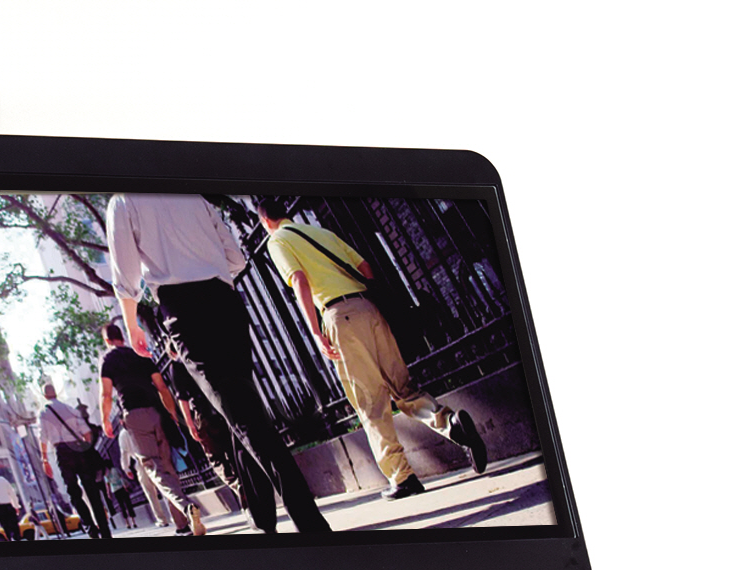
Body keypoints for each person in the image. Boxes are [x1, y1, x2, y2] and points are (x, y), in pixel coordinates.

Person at [106, 192, 332, 535]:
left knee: (244, 417)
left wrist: (132, 324)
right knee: (240, 410)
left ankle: (312, 525)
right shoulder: (194, 197)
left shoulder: (124, 201)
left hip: (184, 311)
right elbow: (236, 260)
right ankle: (260, 516)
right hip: (226, 303)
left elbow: (125, 272)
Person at [257, 199, 489, 501]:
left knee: (370, 401)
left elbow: (299, 278)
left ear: (265, 221)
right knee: (403, 387)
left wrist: (315, 330)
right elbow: (365, 267)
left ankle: (402, 477)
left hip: (339, 316)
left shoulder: (277, 240)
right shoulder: (320, 233)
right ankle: (451, 424)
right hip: (370, 309)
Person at [98, 321, 206, 536]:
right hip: (157, 413)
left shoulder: (108, 360)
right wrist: (172, 413)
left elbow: (106, 394)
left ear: (107, 340)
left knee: (152, 467)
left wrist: (105, 420)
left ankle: (186, 507)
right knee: (167, 467)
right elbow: (162, 387)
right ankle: (182, 525)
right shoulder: (140, 355)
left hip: (135, 416)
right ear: (122, 337)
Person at [36, 382, 112, 539]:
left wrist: (45, 459)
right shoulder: (70, 409)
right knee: (92, 490)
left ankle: (90, 528)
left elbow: (42, 437)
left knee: (74, 492)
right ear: (56, 392)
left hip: (62, 451)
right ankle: (105, 530)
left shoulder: (43, 413)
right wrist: (86, 447)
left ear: (44, 396)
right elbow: (87, 432)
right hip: (79, 449)